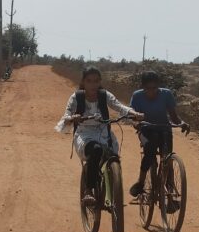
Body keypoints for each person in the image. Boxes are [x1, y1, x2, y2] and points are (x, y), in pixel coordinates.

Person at [56, 67, 143, 207]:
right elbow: (66, 116)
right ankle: (89, 191)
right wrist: (73, 117)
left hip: (104, 132)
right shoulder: (76, 97)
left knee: (114, 159)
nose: (93, 85)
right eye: (89, 81)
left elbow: (119, 107)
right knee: (96, 151)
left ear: (100, 82)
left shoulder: (104, 95)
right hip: (84, 134)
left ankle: (114, 194)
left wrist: (134, 113)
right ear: (83, 82)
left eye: (96, 81)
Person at [128, 71, 189, 198]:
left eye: (154, 88)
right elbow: (132, 117)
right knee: (149, 151)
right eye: (148, 88)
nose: (151, 91)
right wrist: (136, 124)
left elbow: (173, 116)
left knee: (167, 156)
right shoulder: (137, 96)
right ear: (143, 87)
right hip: (146, 129)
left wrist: (182, 123)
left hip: (164, 128)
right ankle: (140, 182)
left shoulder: (166, 94)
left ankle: (169, 185)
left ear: (158, 86)